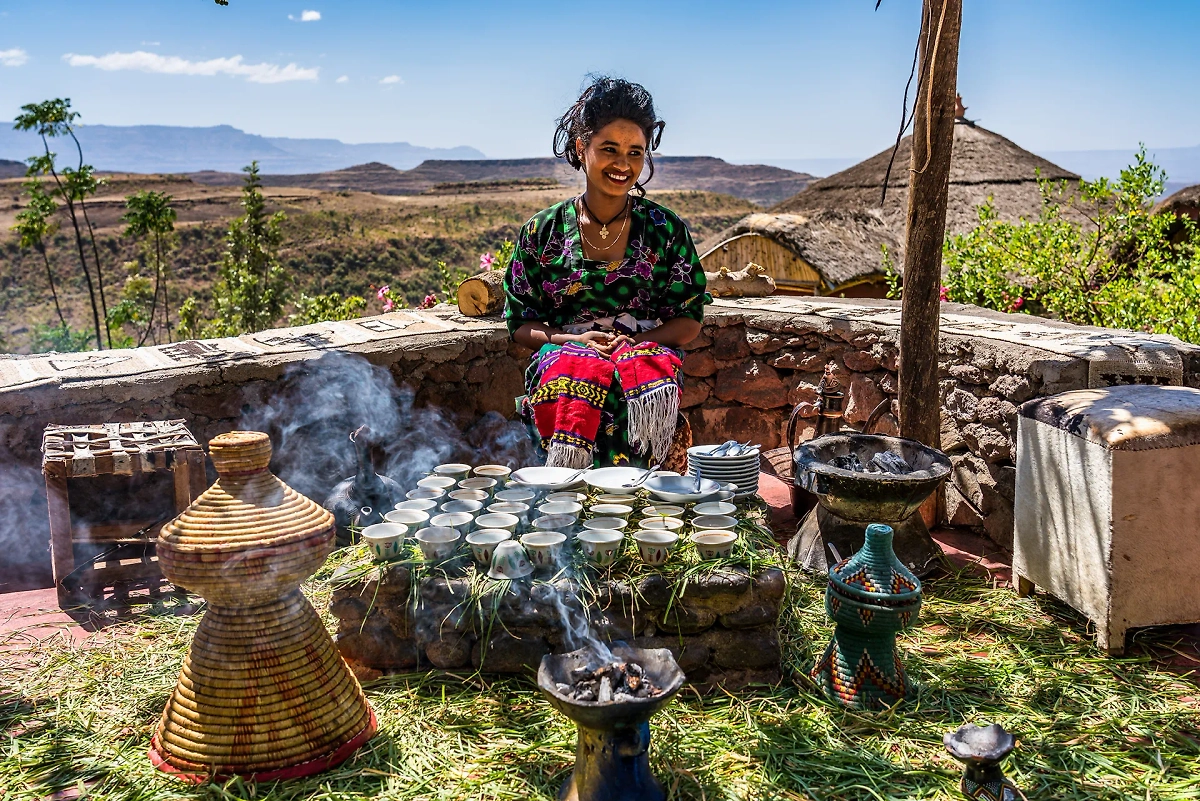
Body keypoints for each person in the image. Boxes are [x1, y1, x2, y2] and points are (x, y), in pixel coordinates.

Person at [504, 76, 710, 469]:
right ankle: (569, 498)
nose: (623, 164)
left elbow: (688, 318)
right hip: (565, 362)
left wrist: (636, 342)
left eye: (635, 152)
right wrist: (574, 342)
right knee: (573, 373)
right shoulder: (541, 232)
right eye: (609, 149)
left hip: (644, 361)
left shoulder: (665, 230)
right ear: (582, 149)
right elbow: (520, 323)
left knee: (633, 380)